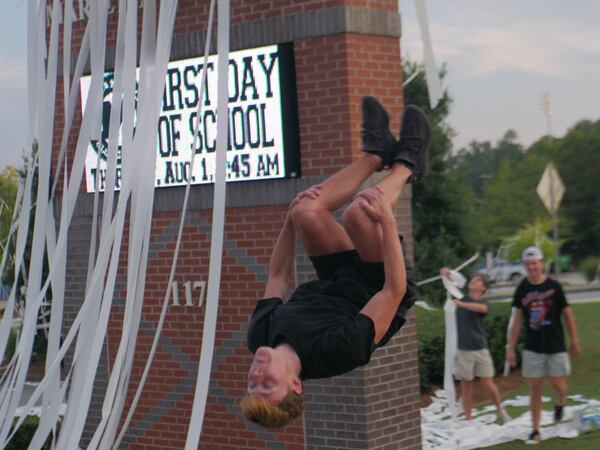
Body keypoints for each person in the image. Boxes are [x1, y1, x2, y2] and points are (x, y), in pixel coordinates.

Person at [240, 96, 430, 428]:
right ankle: (408, 164)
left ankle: (376, 154)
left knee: (305, 212)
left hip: (336, 276)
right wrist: (387, 221)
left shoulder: (260, 337)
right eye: (267, 384)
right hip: (380, 285)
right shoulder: (336, 353)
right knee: (361, 213)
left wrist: (289, 219)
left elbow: (277, 276)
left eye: (251, 383)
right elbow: (394, 291)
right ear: (295, 384)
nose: (257, 374)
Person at [506, 246, 581, 445]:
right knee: (536, 387)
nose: (532, 266)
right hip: (533, 346)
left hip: (556, 345)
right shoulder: (522, 288)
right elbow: (518, 321)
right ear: (524, 265)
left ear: (541, 263)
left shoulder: (555, 286)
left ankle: (560, 404)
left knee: (558, 386)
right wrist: (511, 348)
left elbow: (568, 315)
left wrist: (574, 341)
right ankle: (535, 429)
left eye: (535, 263)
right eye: (528, 264)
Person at [440, 267, 511, 424]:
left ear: (483, 288)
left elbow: (482, 309)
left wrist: (462, 305)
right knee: (466, 387)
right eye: (473, 278)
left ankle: (501, 411)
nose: (473, 280)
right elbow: (449, 284)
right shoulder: (460, 297)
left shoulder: (482, 302)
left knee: (488, 383)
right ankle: (468, 419)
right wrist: (446, 273)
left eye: (478, 280)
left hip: (480, 349)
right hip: (463, 351)